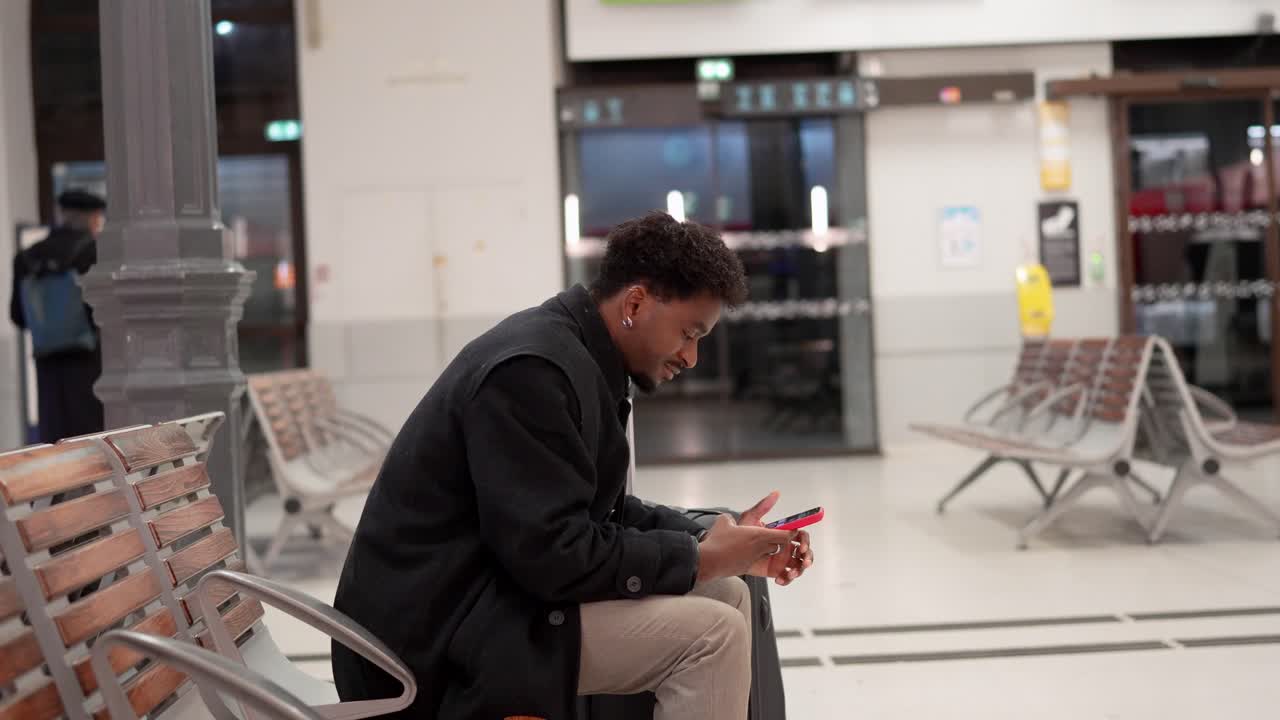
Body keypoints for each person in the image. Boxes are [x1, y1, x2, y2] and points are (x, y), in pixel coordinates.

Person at [333, 211, 817, 720]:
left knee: (728, 595)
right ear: (635, 303)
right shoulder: (532, 371)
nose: (692, 357)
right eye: (688, 333)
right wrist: (698, 558)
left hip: (492, 598)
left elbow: (599, 509)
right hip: (431, 637)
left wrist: (723, 539)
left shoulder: (579, 356)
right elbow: (554, 556)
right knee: (712, 637)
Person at [9, 189, 106, 443]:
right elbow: (104, 311)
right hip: (90, 363)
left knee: (56, 440)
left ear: (61, 214)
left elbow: (17, 316)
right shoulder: (95, 253)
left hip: (48, 364)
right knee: (93, 440)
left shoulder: (26, 258)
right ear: (95, 218)